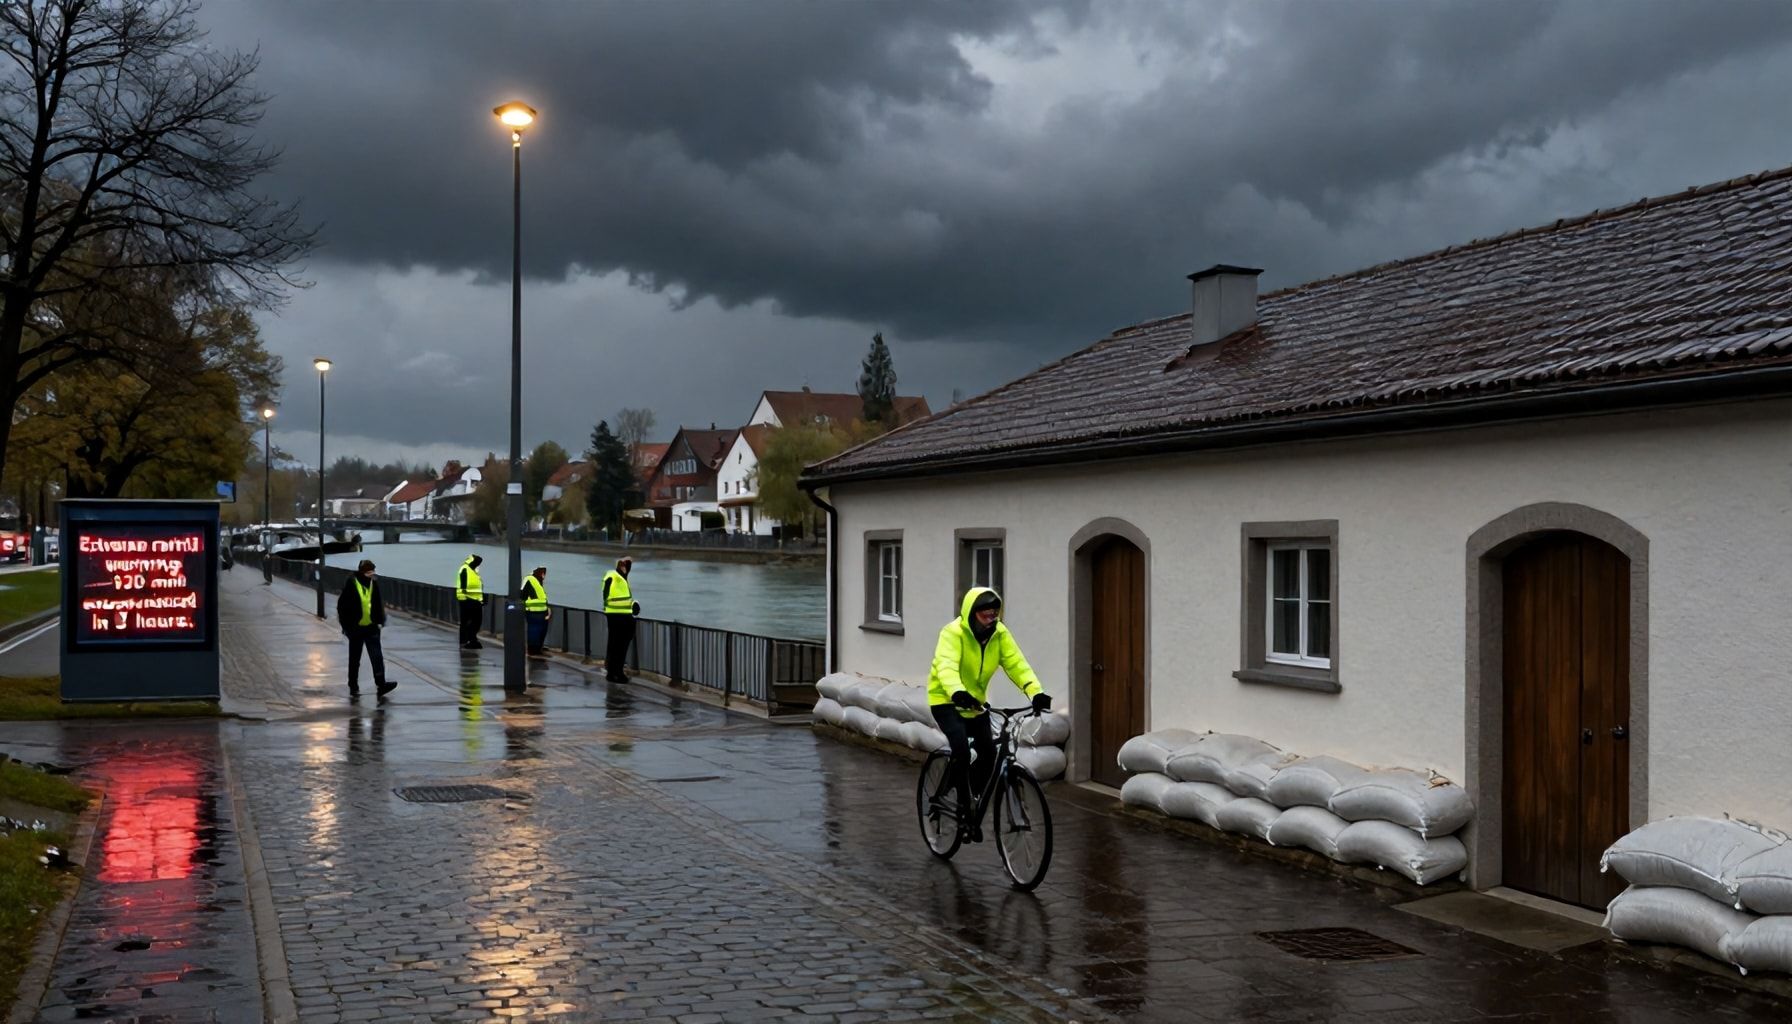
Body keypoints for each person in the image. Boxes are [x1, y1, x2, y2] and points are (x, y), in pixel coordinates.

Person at [928, 587, 1051, 842]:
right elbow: (946, 666)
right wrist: (957, 692)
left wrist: (1035, 693)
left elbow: (1017, 664)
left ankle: (970, 794)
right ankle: (959, 803)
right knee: (961, 750)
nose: (991, 619)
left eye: (994, 614)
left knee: (989, 754)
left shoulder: (1000, 634)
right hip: (946, 701)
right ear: (972, 614)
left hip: (976, 705)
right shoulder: (952, 633)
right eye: (985, 615)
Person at [337, 559, 396, 698]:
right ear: (363, 572)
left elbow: (377, 603)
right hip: (355, 629)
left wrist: (380, 621)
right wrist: (346, 626)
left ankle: (381, 684)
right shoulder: (351, 584)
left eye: (373, 572)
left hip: (371, 627)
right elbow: (342, 607)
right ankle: (353, 685)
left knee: (377, 657)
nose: (371, 574)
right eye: (369, 572)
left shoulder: (373, 584)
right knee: (354, 659)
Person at [601, 556, 639, 683]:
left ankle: (614, 672)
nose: (625, 568)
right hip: (617, 616)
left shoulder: (623, 579)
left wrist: (633, 604)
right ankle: (616, 672)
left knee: (617, 646)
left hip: (622, 616)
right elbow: (609, 596)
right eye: (623, 565)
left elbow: (624, 598)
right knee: (618, 646)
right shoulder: (612, 576)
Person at [455, 553, 485, 649]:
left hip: (475, 600)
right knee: (466, 622)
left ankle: (471, 639)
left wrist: (482, 599)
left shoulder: (474, 571)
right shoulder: (465, 569)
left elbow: (478, 587)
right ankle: (466, 641)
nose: (478, 564)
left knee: (476, 622)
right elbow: (463, 587)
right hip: (466, 600)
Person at [521, 565, 551, 658]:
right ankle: (533, 650)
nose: (544, 575)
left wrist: (547, 609)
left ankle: (538, 649)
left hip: (542, 611)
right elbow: (522, 594)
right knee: (534, 631)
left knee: (541, 631)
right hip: (533, 611)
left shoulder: (539, 582)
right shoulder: (529, 579)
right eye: (543, 573)